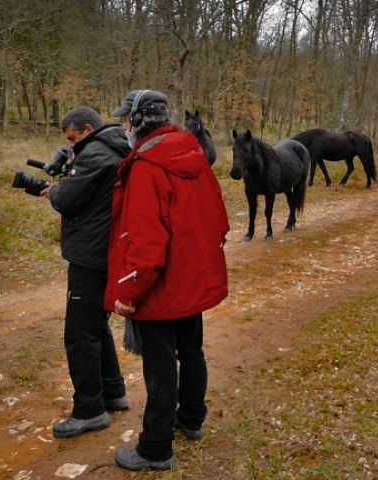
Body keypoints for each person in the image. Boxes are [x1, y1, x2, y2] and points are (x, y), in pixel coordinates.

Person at [105, 90, 229, 471]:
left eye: (126, 118)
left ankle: (155, 448)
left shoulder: (145, 166)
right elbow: (219, 221)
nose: (123, 124)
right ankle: (191, 419)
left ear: (139, 121)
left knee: (159, 369)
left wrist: (129, 293)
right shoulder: (193, 154)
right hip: (190, 281)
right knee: (192, 352)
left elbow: (143, 242)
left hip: (159, 288)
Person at [40, 106, 130, 438]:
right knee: (96, 325)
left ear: (88, 129)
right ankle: (113, 392)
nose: (71, 145)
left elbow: (67, 198)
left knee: (79, 334)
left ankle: (90, 410)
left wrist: (57, 190)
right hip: (103, 250)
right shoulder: (113, 148)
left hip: (91, 255)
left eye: (73, 138)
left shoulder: (96, 154)